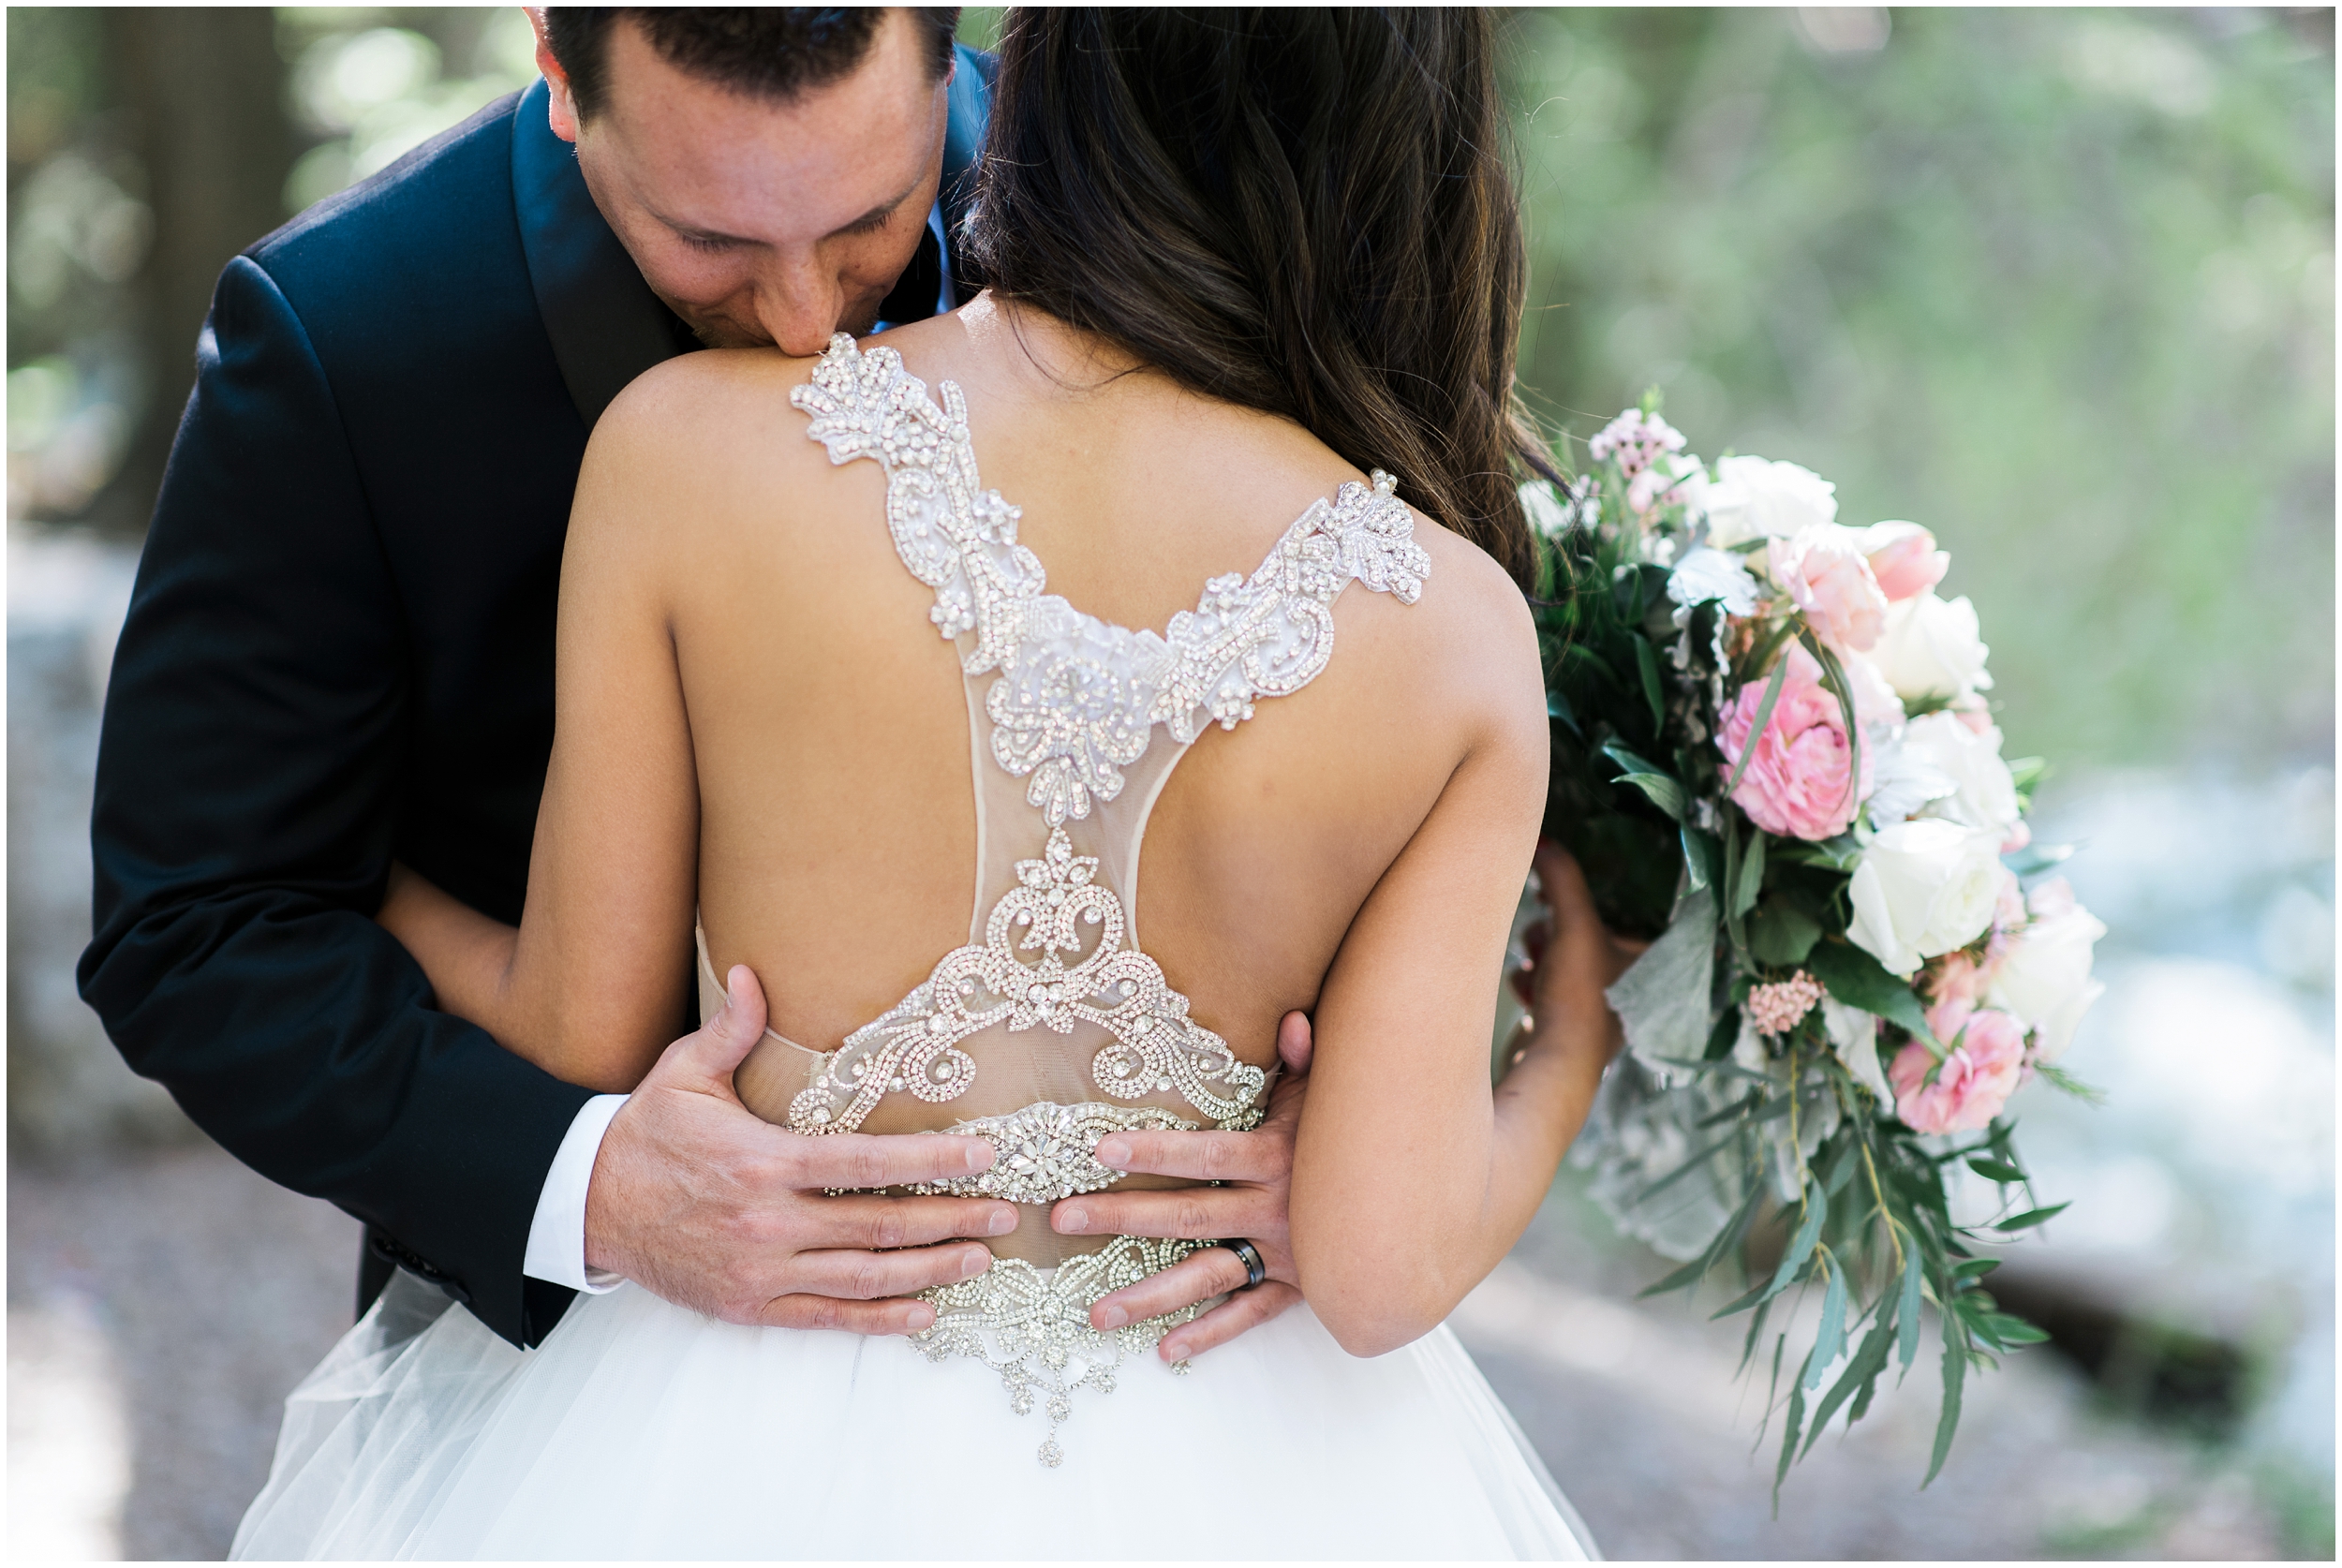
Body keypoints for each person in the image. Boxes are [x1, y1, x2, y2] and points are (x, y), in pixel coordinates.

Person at [231, 7, 1640, 1559]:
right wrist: (1572, 1032)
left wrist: (374, 880)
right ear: (1417, 174)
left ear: (1035, 77)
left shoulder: (687, 455)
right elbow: (1374, 1264)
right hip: (1237, 1469)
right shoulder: (1453, 636)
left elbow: (587, 1037)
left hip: (716, 1450)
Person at [80, 7, 1312, 1368]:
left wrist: (1349, 1102)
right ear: (559, 67)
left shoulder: (1156, 185)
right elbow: (191, 924)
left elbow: (1366, 618)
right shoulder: (345, 340)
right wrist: (590, 1184)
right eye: (711, 242)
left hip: (1150, 1329)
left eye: (873, 221)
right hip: (580, 1356)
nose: (802, 321)